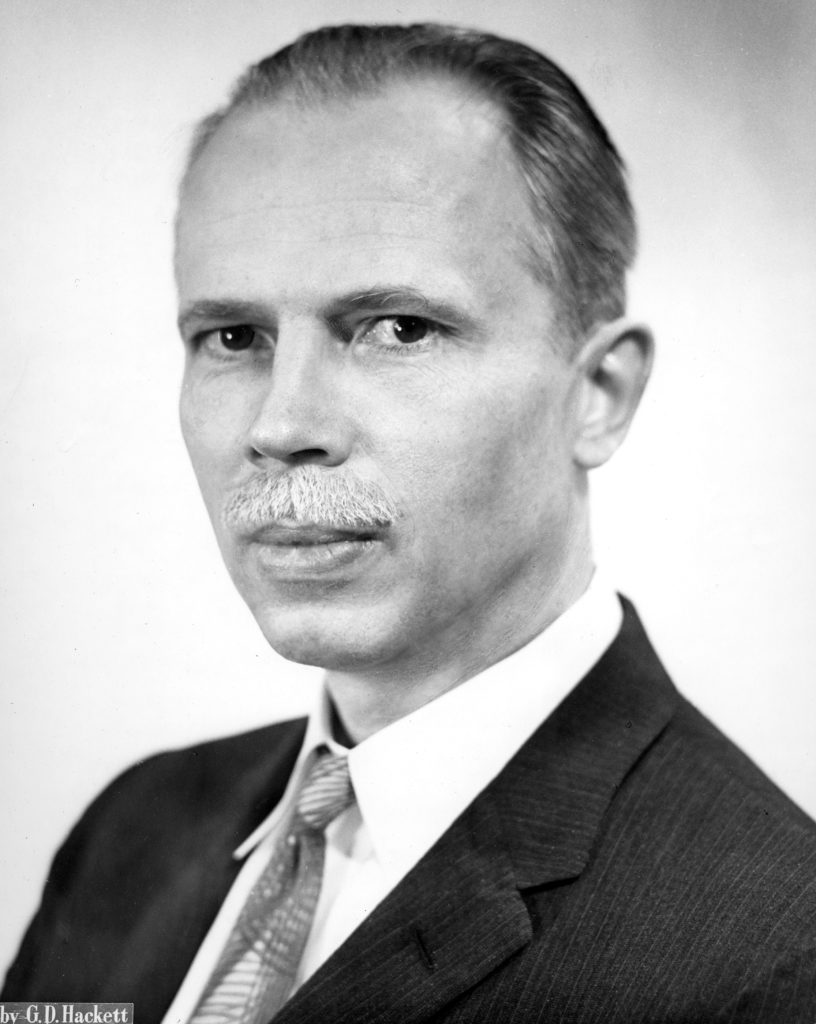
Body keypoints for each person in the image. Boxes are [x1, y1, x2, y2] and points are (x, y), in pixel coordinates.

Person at [3, 22, 815, 1024]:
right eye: (233, 336)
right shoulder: (133, 830)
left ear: (599, 391)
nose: (283, 424)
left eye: (398, 329)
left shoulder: (774, 958)